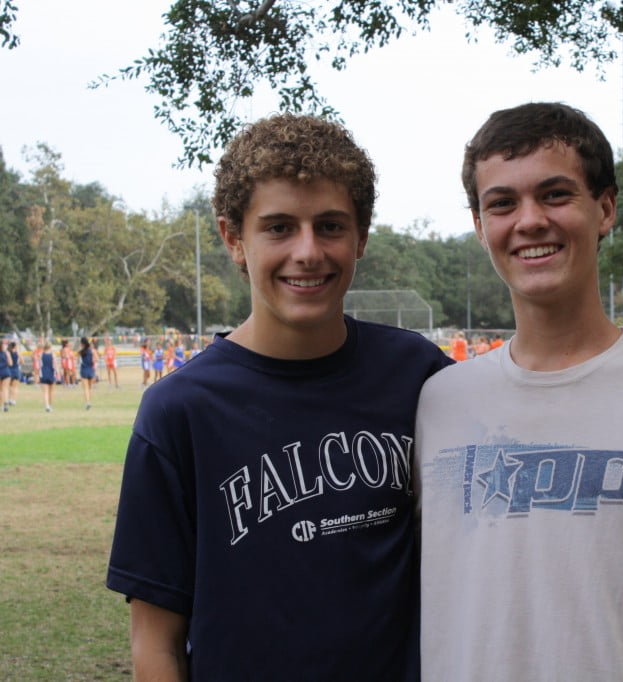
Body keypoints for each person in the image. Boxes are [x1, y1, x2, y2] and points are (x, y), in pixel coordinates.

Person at [105, 114, 453, 680]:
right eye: (279, 227)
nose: (308, 251)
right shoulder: (180, 410)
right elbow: (156, 641)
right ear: (233, 239)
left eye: (331, 226)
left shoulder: (418, 374)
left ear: (362, 236)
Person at [416, 103, 623, 680]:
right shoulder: (436, 400)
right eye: (502, 203)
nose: (529, 221)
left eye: (555, 194)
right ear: (479, 225)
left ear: (606, 208)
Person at [78, 337, 98, 409]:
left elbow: (78, 361)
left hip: (84, 370)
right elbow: (96, 359)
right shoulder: (92, 351)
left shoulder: (81, 351)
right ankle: (89, 401)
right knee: (89, 388)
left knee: (85, 388)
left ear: (82, 343)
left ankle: (87, 402)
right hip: (90, 369)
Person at [38, 342, 59, 412]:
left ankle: (47, 406)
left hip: (44, 373)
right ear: (50, 347)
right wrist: (58, 373)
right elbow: (55, 364)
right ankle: (50, 405)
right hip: (51, 373)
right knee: (51, 391)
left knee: (45, 392)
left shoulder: (41, 354)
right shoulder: (53, 355)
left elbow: (39, 365)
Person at [8, 340, 22, 406]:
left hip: (9, 370)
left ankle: (9, 399)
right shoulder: (17, 352)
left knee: (10, 386)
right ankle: (13, 400)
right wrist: (18, 364)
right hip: (15, 369)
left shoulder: (8, 352)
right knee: (15, 387)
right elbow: (22, 361)